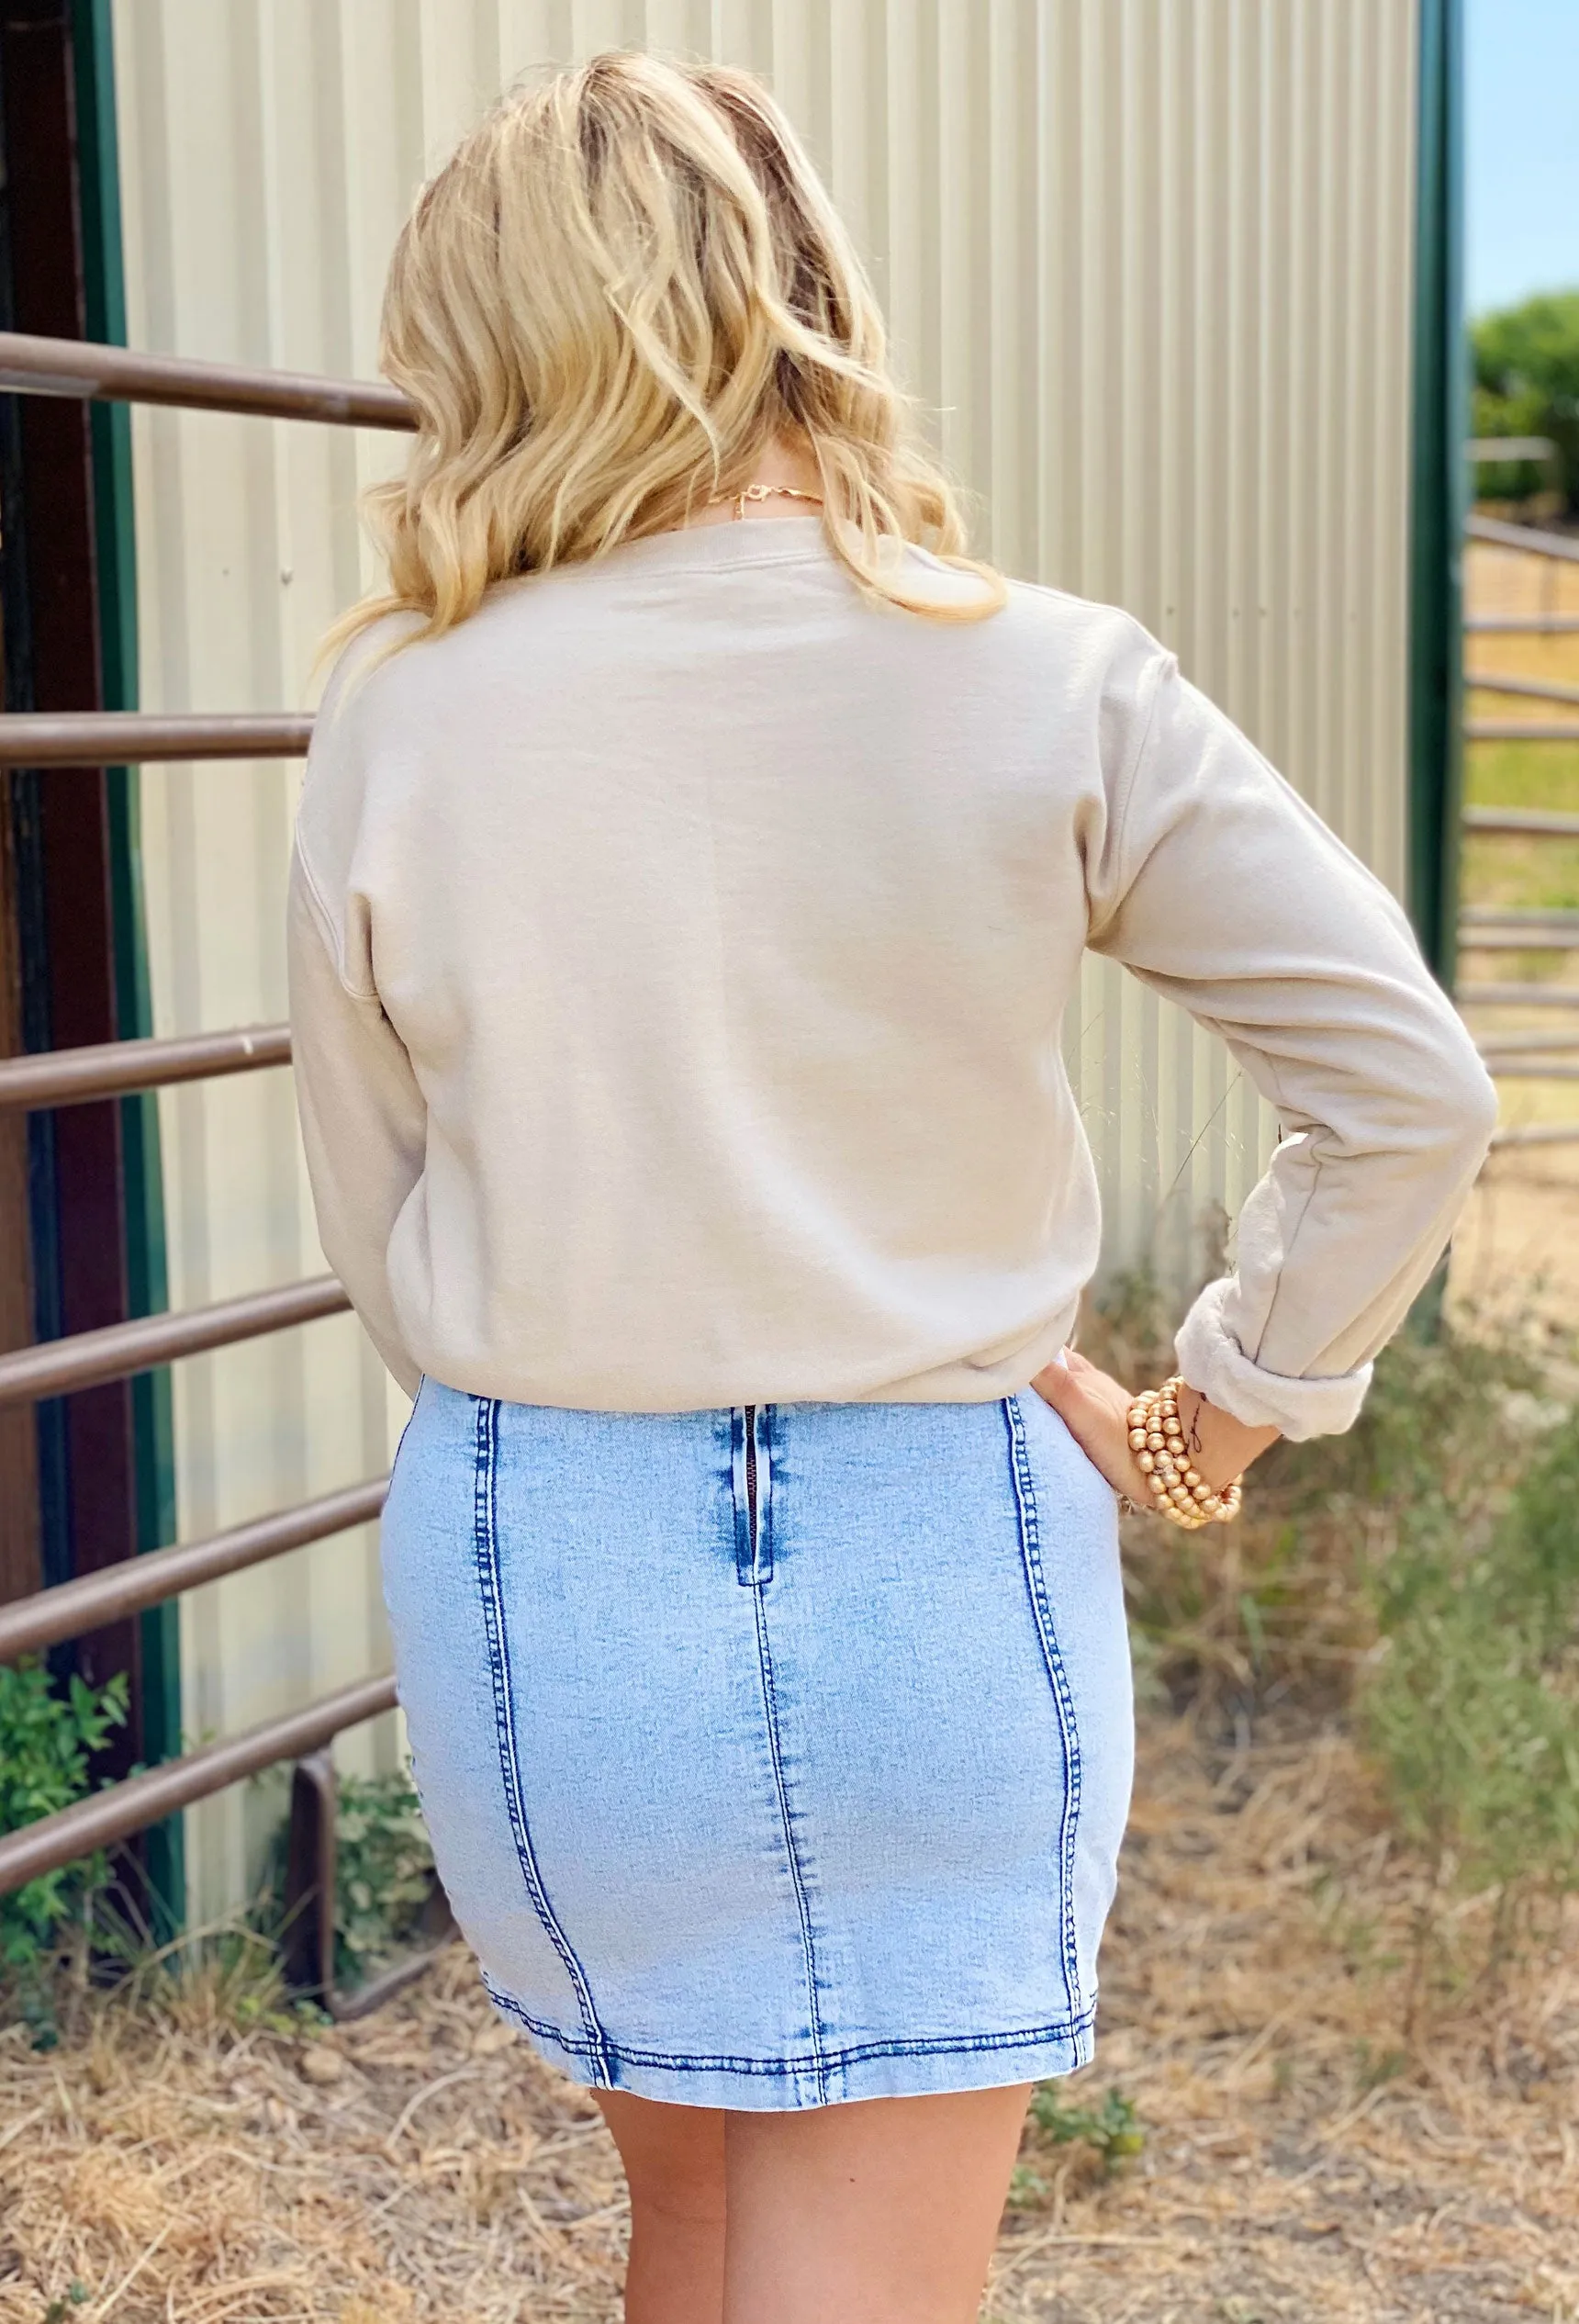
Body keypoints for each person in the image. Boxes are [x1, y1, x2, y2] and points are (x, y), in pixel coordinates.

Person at [285, 50, 1497, 2324]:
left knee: (695, 2224)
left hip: (554, 1554)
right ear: (797, 291)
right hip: (942, 1564)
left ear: (493, 354)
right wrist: (1205, 1417)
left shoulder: (402, 719)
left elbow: (385, 1232)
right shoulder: (1040, 677)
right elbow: (1406, 1088)